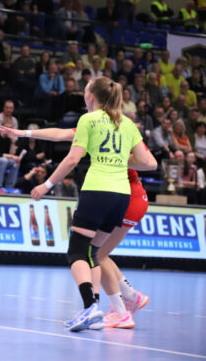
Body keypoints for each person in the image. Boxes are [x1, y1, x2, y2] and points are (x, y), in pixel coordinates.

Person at [16, 77, 156, 331]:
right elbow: (148, 162)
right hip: (121, 195)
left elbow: (71, 160)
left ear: (91, 96)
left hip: (97, 189)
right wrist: (119, 159)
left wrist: (46, 185)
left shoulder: (88, 120)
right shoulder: (127, 124)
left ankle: (91, 307)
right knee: (94, 252)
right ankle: (100, 308)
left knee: (77, 252)